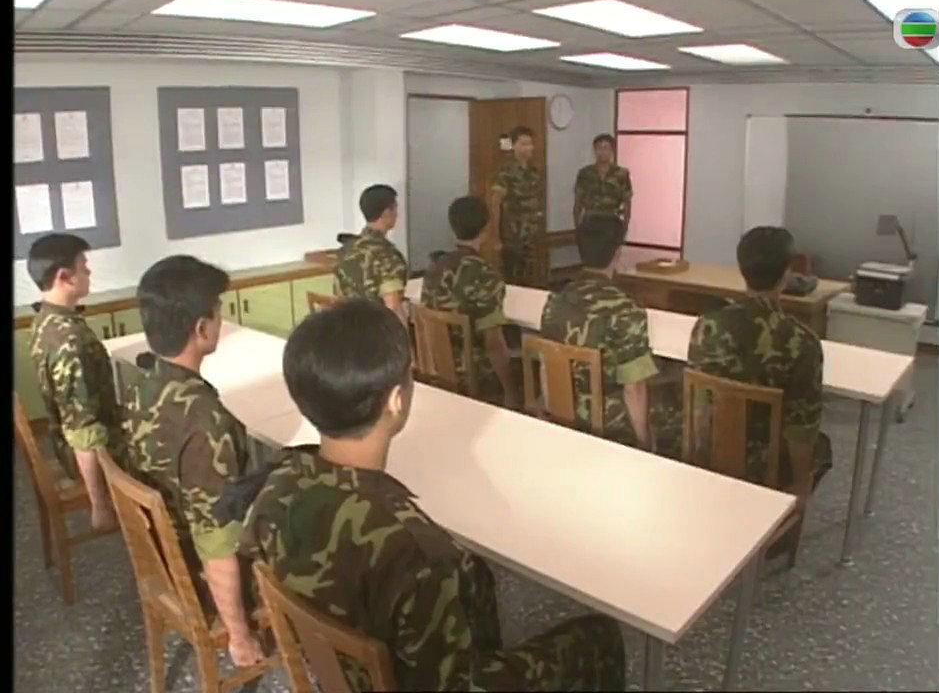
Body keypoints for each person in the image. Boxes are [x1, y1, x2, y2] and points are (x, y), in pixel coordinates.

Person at [240, 299, 624, 691]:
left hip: (341, 675)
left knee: (475, 576)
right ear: (396, 400)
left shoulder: (276, 485)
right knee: (600, 635)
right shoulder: (419, 554)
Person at [125, 255, 264, 668]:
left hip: (164, 545)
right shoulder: (205, 421)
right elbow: (216, 539)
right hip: (195, 568)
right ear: (202, 329)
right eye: (219, 313)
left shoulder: (142, 383)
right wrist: (239, 637)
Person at [686, 226, 832, 495]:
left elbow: (700, 405)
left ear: (742, 269)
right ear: (787, 274)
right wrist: (800, 488)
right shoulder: (803, 342)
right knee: (822, 446)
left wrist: (700, 457)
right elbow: (801, 428)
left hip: (713, 446)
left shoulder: (707, 325)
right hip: (766, 460)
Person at [27, 233, 123, 530]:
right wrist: (100, 505)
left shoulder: (46, 318)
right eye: (83, 266)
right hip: (94, 453)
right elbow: (83, 431)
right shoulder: (68, 341)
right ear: (64, 277)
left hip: (70, 439)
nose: (89, 271)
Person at [540, 217, 658, 449]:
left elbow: (546, 366)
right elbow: (634, 388)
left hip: (561, 411)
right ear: (618, 253)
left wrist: (553, 414)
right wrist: (643, 442)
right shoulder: (626, 310)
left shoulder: (555, 301)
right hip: (608, 421)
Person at [421, 196, 520, 407]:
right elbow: (494, 344)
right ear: (486, 228)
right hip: (473, 373)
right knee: (526, 370)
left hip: (435, 365)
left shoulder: (434, 267)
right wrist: (511, 392)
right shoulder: (484, 274)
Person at [334, 185, 408, 319]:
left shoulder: (346, 249)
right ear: (386, 213)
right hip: (377, 328)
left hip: (349, 325)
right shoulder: (387, 255)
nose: (397, 214)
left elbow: (339, 297)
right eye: (395, 208)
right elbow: (393, 308)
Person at [489, 126, 545, 284]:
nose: (529, 148)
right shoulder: (506, 171)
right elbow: (495, 204)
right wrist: (496, 237)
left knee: (531, 278)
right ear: (513, 146)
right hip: (512, 237)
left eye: (530, 143)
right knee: (513, 280)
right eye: (523, 144)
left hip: (531, 235)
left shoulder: (534, 171)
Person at [572, 134, 633, 229]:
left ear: (612, 150)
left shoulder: (622, 174)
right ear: (594, 150)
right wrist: (578, 228)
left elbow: (627, 203)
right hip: (590, 222)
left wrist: (624, 227)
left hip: (612, 221)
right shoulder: (585, 173)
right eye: (599, 148)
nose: (602, 151)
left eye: (606, 148)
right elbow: (577, 203)